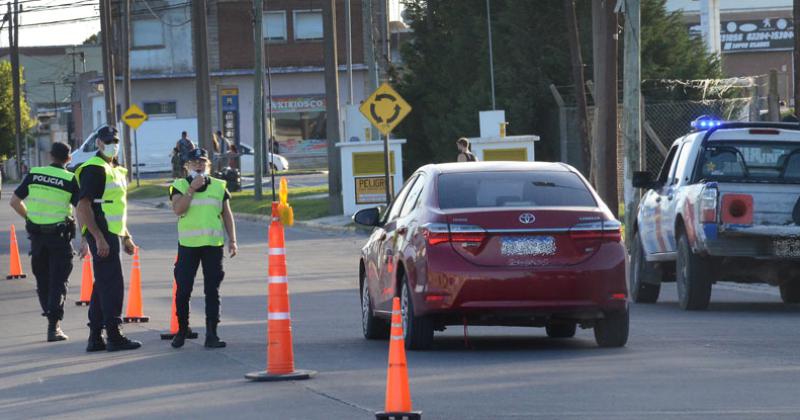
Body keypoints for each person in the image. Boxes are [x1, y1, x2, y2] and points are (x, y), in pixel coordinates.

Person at [75, 125, 141, 352]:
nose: (112, 144)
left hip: (113, 231)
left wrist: (126, 237)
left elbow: (118, 208)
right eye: (107, 141)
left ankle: (95, 337)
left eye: (115, 140)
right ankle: (114, 334)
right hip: (101, 230)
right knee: (112, 284)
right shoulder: (94, 168)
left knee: (103, 283)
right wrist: (98, 237)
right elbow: (83, 206)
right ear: (98, 144)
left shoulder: (115, 168)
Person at [9, 142, 79, 342]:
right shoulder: (69, 179)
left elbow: (14, 201)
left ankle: (50, 317)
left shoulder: (34, 174)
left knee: (43, 280)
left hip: (37, 238)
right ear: (69, 158)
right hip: (59, 238)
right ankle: (53, 326)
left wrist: (30, 218)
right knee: (58, 281)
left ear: (50, 156)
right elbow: (81, 207)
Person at [169, 148, 238, 349]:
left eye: (202, 162)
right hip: (188, 246)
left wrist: (232, 240)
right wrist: (191, 189)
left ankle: (212, 334)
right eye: (194, 162)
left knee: (212, 290)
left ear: (208, 165)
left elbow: (227, 214)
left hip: (212, 245)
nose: (199, 165)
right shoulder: (179, 185)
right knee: (183, 289)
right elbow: (178, 209)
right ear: (186, 166)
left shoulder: (218, 186)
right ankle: (182, 330)